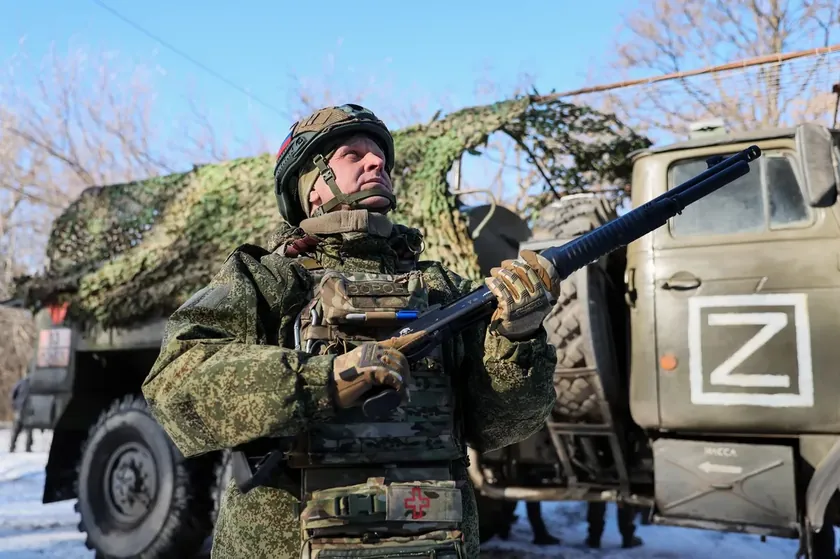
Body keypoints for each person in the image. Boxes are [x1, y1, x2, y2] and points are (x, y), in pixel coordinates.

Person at [142, 103, 559, 559]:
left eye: (379, 155)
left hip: (432, 544)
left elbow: (502, 426)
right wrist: (324, 380)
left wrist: (517, 339)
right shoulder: (267, 281)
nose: (377, 162)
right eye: (353, 155)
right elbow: (176, 382)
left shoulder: (444, 290)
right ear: (313, 189)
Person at [9, 376, 33, 453]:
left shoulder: (21, 383)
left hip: (22, 408)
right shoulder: (32, 383)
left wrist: (13, 404)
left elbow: (13, 394)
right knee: (27, 428)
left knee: (18, 428)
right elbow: (13, 393)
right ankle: (27, 447)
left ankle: (13, 446)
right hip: (26, 408)